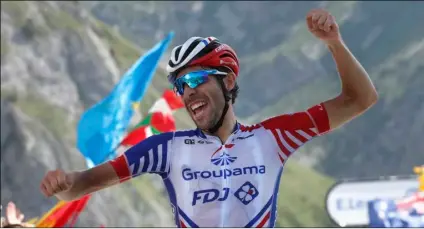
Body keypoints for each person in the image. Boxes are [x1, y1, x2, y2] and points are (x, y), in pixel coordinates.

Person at [40, 9, 378, 227]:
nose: (187, 94)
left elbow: (360, 99)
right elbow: (84, 184)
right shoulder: (166, 149)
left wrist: (334, 42)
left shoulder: (273, 138)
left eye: (196, 80)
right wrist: (66, 184)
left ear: (228, 81)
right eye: (180, 86)